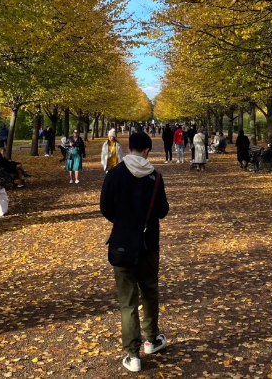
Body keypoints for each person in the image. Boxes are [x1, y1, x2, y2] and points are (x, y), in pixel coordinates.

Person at [100, 130, 169, 373]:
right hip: (149, 243)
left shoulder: (114, 174)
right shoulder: (155, 177)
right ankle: (152, 339)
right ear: (148, 151)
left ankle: (133, 353)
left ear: (129, 149)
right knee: (149, 291)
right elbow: (162, 211)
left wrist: (122, 222)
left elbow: (104, 207)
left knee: (127, 301)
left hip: (122, 243)